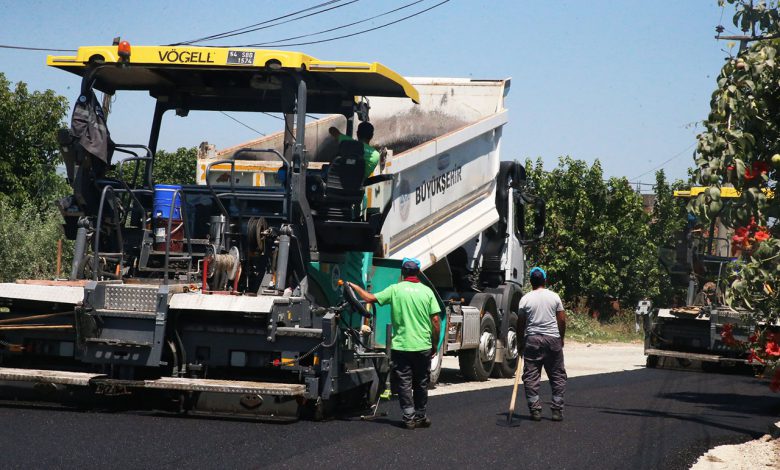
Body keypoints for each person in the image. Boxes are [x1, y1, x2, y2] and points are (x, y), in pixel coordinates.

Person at [348, 257, 441, 429]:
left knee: (404, 381)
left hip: (401, 346)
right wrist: (435, 343)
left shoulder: (395, 290)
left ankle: (409, 416)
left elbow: (368, 298)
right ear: (418, 272)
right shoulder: (427, 292)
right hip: (423, 345)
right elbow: (435, 320)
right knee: (421, 381)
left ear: (403, 272)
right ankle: (421, 415)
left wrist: (354, 286)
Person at [517, 267, 567, 422]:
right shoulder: (554, 297)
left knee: (531, 376)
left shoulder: (525, 299)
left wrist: (520, 343)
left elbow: (520, 323)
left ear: (531, 281)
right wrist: (561, 338)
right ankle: (557, 410)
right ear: (545, 280)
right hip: (552, 340)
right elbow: (562, 319)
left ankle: (535, 410)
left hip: (532, 341)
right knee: (557, 375)